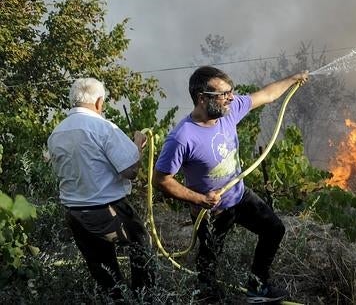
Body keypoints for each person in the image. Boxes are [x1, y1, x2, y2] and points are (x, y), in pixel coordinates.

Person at [153, 66, 308, 303]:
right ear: (202, 98)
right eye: (224, 94)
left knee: (274, 229)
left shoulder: (229, 110)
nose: (231, 98)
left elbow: (266, 95)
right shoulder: (182, 137)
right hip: (210, 210)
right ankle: (208, 297)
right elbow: (161, 180)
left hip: (239, 196)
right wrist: (199, 200)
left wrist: (293, 78)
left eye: (231, 92)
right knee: (209, 260)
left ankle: (257, 287)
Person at [47, 78, 155, 301]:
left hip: (75, 213)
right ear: (99, 102)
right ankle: (145, 298)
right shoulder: (103, 127)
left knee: (104, 272)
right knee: (141, 246)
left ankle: (116, 299)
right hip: (108, 209)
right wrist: (137, 146)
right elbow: (130, 171)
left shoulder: (56, 133)